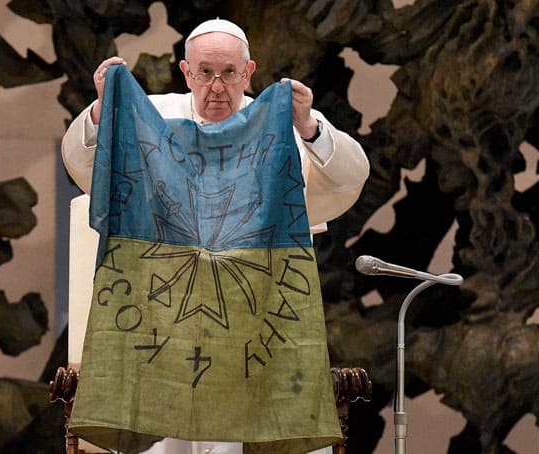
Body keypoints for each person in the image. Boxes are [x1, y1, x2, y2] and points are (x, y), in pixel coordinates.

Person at [62, 18, 369, 454]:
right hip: (164, 324)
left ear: (249, 72)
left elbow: (350, 178)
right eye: (205, 73)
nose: (217, 86)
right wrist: (100, 109)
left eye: (229, 73)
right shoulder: (152, 117)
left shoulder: (278, 124)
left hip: (257, 316)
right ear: (186, 72)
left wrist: (309, 127)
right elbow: (83, 164)